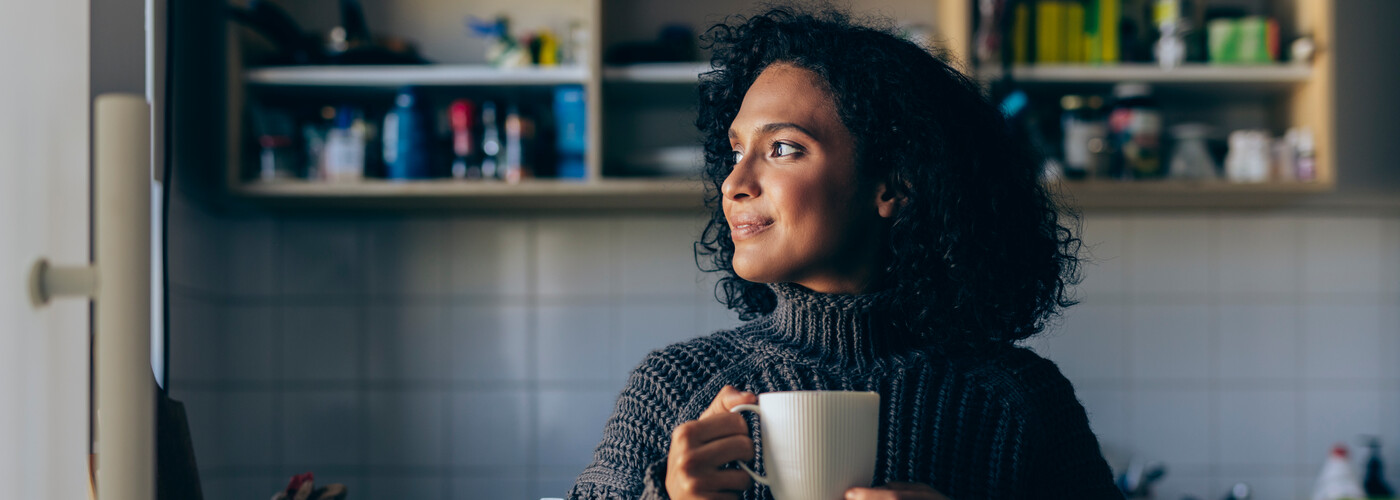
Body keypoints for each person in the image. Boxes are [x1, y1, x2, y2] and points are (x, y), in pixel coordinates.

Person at [568, 7, 1121, 500]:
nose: (734, 181)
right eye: (737, 150)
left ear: (893, 185)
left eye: (783, 148)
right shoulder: (671, 388)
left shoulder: (1021, 401)